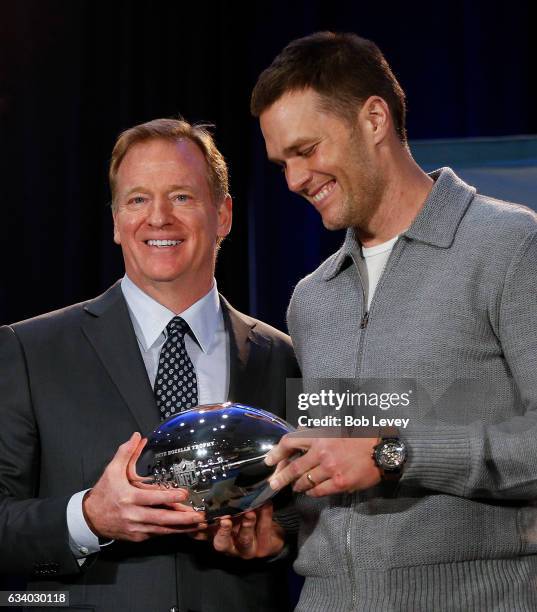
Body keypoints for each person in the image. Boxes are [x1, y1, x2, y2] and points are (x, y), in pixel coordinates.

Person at [246, 31, 537, 611]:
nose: (295, 180)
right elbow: (339, 481)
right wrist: (274, 528)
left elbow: (380, 452)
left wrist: (392, 455)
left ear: (374, 119)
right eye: (282, 163)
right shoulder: (313, 297)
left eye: (306, 150)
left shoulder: (509, 246)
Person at [0, 118, 299, 612]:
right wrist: (89, 517)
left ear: (223, 215)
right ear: (116, 221)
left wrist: (277, 541)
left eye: (182, 196)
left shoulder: (284, 356)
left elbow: (318, 511)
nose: (158, 217)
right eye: (137, 199)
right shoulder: (28, 351)